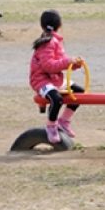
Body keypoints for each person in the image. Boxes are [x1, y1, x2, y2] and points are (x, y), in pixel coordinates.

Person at [29, 10, 85, 143]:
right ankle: (51, 125)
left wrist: (74, 64)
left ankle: (64, 121)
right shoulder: (47, 42)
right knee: (56, 98)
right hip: (41, 80)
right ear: (59, 25)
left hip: (55, 79)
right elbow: (48, 66)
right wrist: (68, 61)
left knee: (79, 92)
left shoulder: (56, 41)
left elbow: (61, 61)